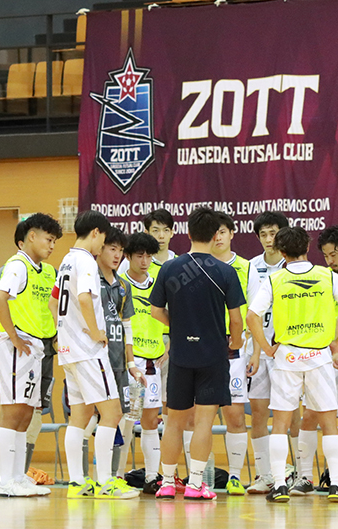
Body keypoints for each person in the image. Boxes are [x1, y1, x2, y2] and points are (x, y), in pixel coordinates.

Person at [247, 226, 338, 504]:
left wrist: (267, 348)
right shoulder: (326, 275)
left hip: (287, 357)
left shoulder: (275, 279)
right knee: (329, 423)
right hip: (319, 357)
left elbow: (251, 317)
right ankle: (336, 485)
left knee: (280, 424)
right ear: (308, 248)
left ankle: (279, 486)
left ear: (282, 253)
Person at [149, 206, 246, 500]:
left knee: (174, 422)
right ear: (216, 235)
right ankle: (195, 485)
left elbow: (155, 311)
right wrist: (236, 342)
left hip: (180, 355)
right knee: (204, 422)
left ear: (188, 233)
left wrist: (178, 327)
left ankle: (167, 482)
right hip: (213, 356)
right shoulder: (226, 271)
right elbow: (237, 320)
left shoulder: (169, 268)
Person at [51, 211, 138, 499]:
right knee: (112, 413)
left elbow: (53, 302)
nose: (104, 247)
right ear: (96, 233)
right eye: (105, 240)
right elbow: (85, 298)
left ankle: (77, 482)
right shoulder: (86, 260)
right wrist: (95, 331)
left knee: (80, 416)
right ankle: (106, 483)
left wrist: (64, 331)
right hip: (88, 351)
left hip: (68, 350)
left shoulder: (65, 260)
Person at [0, 212, 63, 497]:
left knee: (25, 416)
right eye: (48, 239)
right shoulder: (18, 265)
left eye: (55, 241)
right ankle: (5, 481)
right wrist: (12, 336)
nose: (52, 245)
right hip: (18, 346)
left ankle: (18, 477)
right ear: (31, 236)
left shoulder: (45, 271)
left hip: (36, 348)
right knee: (12, 414)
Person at [294, 224, 338, 496]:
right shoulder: (321, 278)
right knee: (310, 415)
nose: (330, 261)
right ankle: (304, 476)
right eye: (326, 256)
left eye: (334, 254)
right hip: (322, 355)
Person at [212, 212, 261, 495]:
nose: (218, 237)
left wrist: (255, 352)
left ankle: (233, 476)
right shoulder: (199, 265)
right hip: (202, 350)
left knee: (235, 417)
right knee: (196, 419)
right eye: (214, 232)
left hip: (234, 353)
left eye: (222, 231)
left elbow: (255, 313)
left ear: (232, 233)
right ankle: (198, 477)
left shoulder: (246, 267)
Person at [120, 232, 168, 494]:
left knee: (150, 420)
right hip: (129, 361)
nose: (145, 261)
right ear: (128, 256)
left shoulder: (159, 284)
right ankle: (116, 476)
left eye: (149, 256)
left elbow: (172, 316)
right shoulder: (119, 284)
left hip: (153, 363)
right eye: (140, 256)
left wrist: (169, 346)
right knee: (125, 420)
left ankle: (151, 477)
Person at [246, 210, 289, 494]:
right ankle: (265, 475)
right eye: (263, 234)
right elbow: (249, 311)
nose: (268, 239)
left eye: (273, 233)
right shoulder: (251, 266)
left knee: (289, 415)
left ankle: (297, 473)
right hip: (259, 350)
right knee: (259, 413)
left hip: (286, 350)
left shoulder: (293, 265)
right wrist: (256, 350)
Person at [93, 228, 139, 479]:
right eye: (112, 249)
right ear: (100, 249)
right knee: (89, 418)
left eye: (121, 251)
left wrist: (131, 363)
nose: (117, 255)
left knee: (118, 415)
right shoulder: (90, 279)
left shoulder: (123, 286)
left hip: (118, 362)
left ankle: (113, 476)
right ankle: (87, 476)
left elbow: (127, 327)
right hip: (94, 360)